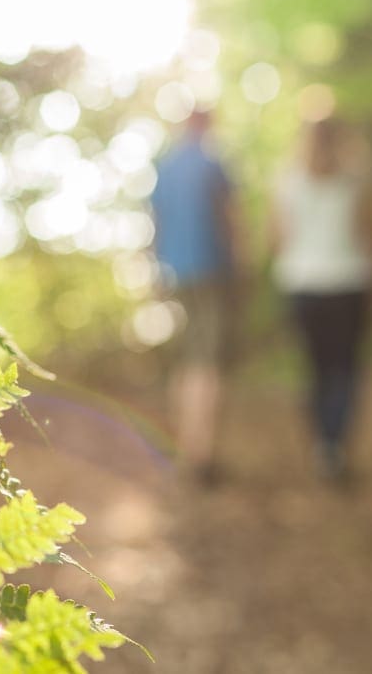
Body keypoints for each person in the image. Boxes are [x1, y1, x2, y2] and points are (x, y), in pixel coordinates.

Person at [269, 117, 372, 484]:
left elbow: (277, 239)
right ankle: (334, 444)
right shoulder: (356, 180)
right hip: (350, 283)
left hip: (303, 285)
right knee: (346, 368)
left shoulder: (287, 182)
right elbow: (370, 233)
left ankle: (323, 444)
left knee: (317, 369)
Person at [150, 109, 241, 484]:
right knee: (207, 362)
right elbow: (231, 221)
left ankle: (185, 446)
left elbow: (155, 223)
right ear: (207, 125)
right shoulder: (213, 165)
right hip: (212, 271)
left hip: (176, 273)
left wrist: (156, 271)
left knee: (188, 359)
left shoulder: (166, 168)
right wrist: (243, 267)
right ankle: (201, 455)